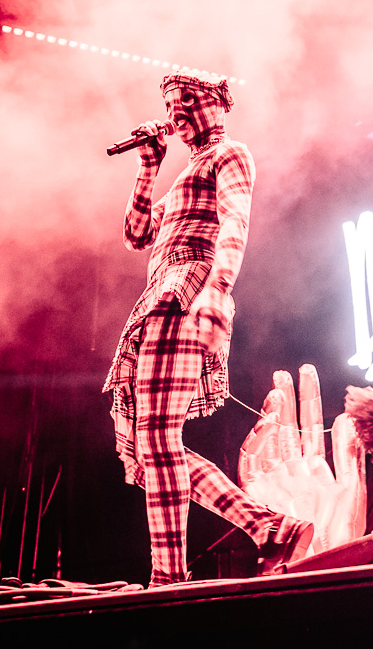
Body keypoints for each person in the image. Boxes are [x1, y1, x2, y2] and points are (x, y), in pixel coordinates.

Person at [103, 70, 313, 586]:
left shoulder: (230, 154)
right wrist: (149, 166)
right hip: (161, 294)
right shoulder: (184, 175)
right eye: (171, 105)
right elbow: (136, 234)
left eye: (188, 100)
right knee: (152, 446)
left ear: (216, 104)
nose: (176, 112)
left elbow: (235, 222)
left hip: (188, 288)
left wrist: (217, 288)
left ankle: (168, 579)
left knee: (157, 438)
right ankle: (270, 529)